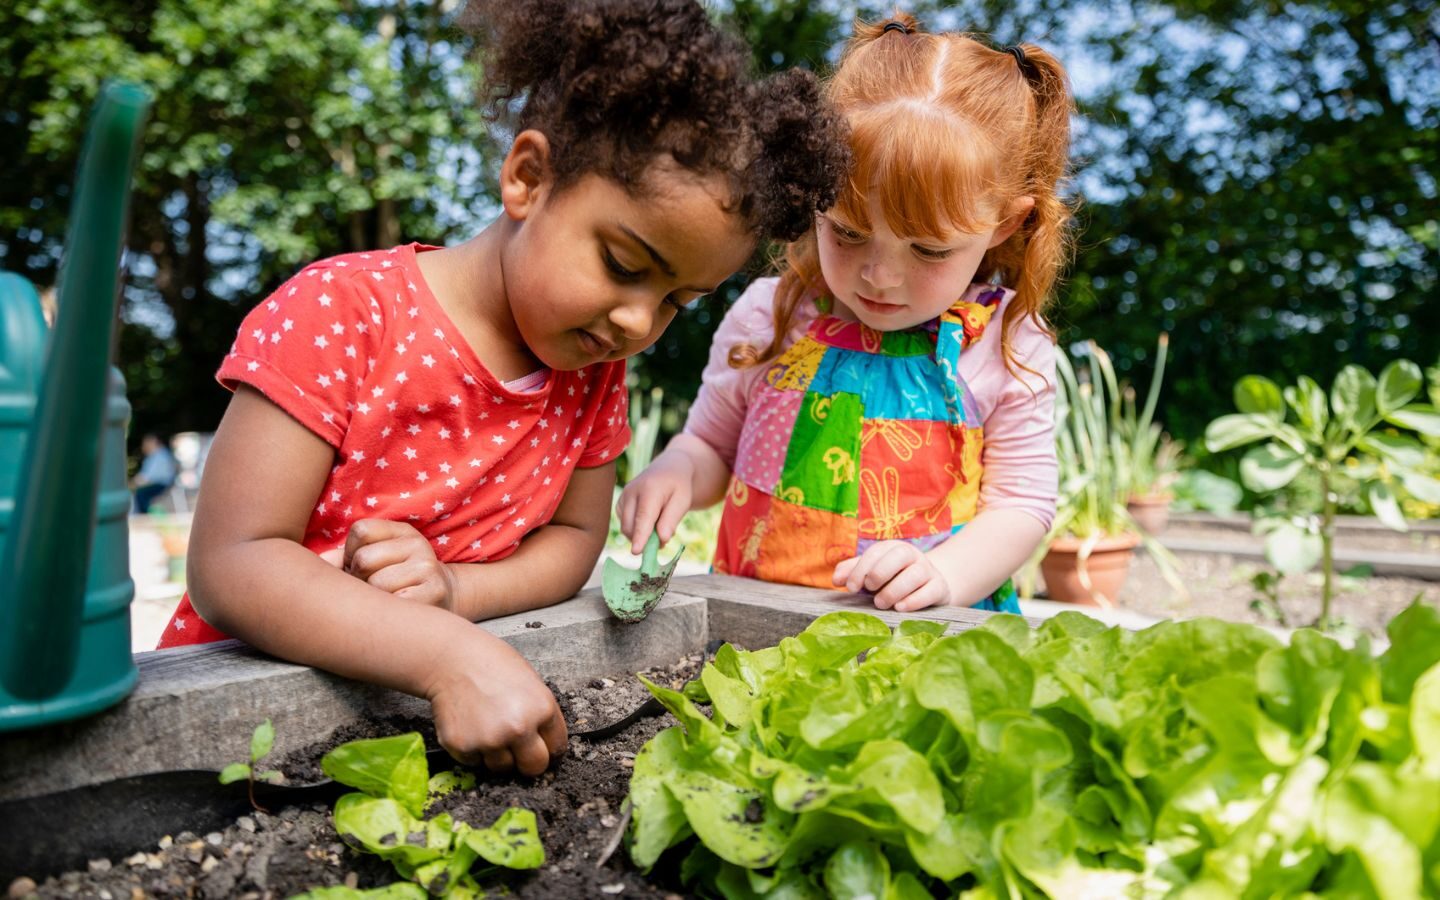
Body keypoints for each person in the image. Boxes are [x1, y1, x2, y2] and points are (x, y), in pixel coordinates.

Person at [158, 0, 847, 778]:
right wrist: (446, 655)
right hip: (227, 738)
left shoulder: (593, 374)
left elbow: (573, 541)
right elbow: (233, 564)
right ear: (528, 177)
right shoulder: (342, 313)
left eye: (676, 302)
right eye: (624, 265)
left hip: (416, 733)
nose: (636, 320)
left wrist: (456, 592)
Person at [619, 13, 1072, 616]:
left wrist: (944, 574)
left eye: (930, 249)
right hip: (750, 632)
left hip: (920, 641)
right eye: (849, 233)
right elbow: (710, 445)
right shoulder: (769, 315)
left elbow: (1022, 504)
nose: (879, 276)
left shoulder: (1005, 343)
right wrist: (677, 469)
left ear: (1005, 224)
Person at [131, 433, 177, 514]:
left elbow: (148, 477)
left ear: (153, 442)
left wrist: (133, 484)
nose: (144, 445)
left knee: (141, 494)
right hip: (159, 483)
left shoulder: (159, 455)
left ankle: (145, 515)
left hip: (161, 484)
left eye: (146, 442)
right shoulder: (156, 455)